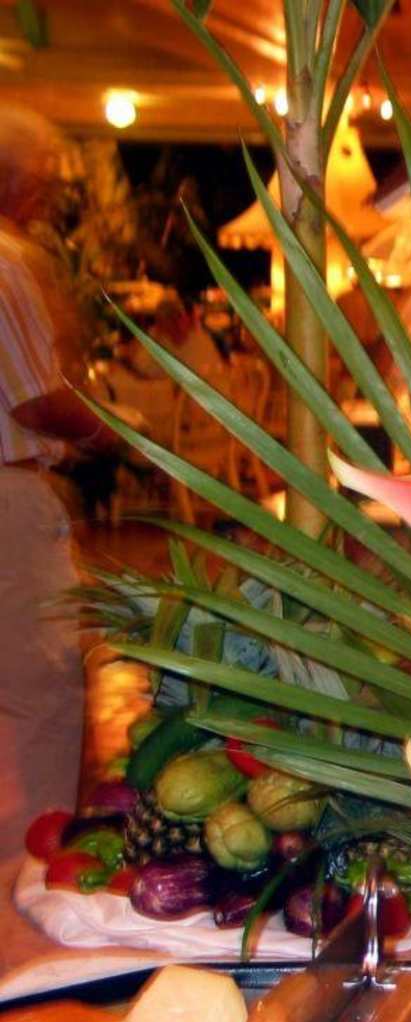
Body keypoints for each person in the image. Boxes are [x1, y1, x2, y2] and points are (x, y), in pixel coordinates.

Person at [0, 106, 116, 857]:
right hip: (8, 500)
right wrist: (114, 435)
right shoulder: (6, 263)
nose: (45, 200)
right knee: (42, 694)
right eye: (42, 182)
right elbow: (35, 398)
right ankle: (30, 878)